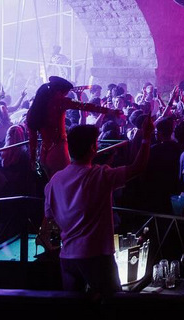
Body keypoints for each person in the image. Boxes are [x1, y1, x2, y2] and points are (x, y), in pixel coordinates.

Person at [42, 117, 153, 297]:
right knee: (110, 302)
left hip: (67, 257)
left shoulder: (55, 181)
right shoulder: (100, 175)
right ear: (93, 148)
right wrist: (146, 137)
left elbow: (49, 215)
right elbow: (137, 167)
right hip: (96, 256)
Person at [26, 76, 121, 177]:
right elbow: (85, 106)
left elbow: (32, 138)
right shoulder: (60, 102)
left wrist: (33, 159)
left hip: (44, 151)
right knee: (64, 181)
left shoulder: (34, 110)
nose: (66, 96)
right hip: (58, 151)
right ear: (59, 92)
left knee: (51, 182)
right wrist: (110, 111)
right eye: (65, 93)